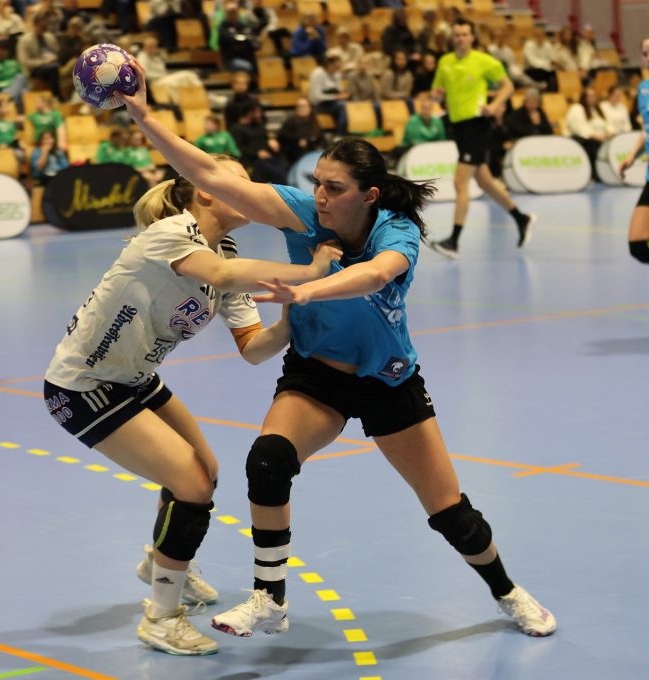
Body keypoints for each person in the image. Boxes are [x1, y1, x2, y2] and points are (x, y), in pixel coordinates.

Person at [119, 58, 558, 643]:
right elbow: (213, 177)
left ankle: (507, 592)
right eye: (318, 183)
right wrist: (144, 117)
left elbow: (374, 275)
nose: (320, 196)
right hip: (315, 377)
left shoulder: (395, 230)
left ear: (368, 195)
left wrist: (306, 286)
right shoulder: (303, 213)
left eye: (334, 188)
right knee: (267, 461)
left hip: (387, 381)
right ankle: (269, 598)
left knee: (449, 510)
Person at [42, 157, 343, 655]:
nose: (250, 190)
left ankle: (159, 562)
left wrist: (293, 315)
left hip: (135, 379)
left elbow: (253, 349)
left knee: (205, 470)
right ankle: (161, 618)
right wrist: (311, 271)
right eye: (238, 182)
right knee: (193, 486)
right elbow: (222, 274)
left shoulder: (225, 249)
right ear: (205, 190)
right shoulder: (171, 233)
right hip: (84, 386)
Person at [429, 18, 535, 259]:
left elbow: (508, 86)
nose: (461, 38)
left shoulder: (484, 61)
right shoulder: (445, 62)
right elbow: (437, 94)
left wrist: (495, 105)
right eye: (457, 35)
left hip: (477, 124)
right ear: (453, 38)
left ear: (472, 37)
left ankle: (453, 242)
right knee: (485, 181)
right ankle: (522, 218)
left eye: (465, 34)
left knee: (460, 182)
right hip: (457, 126)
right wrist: (436, 96)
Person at [618, 36, 649, 265]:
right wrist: (631, 156)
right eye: (646, 53)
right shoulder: (643, 89)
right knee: (637, 244)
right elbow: (646, 129)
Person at [276, 96, 325, 166]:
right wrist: (297, 140)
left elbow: (321, 138)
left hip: (312, 152)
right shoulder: (290, 121)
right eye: (300, 106)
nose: (302, 109)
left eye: (304, 106)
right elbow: (282, 135)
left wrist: (320, 146)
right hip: (295, 152)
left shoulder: (314, 121)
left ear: (310, 107)